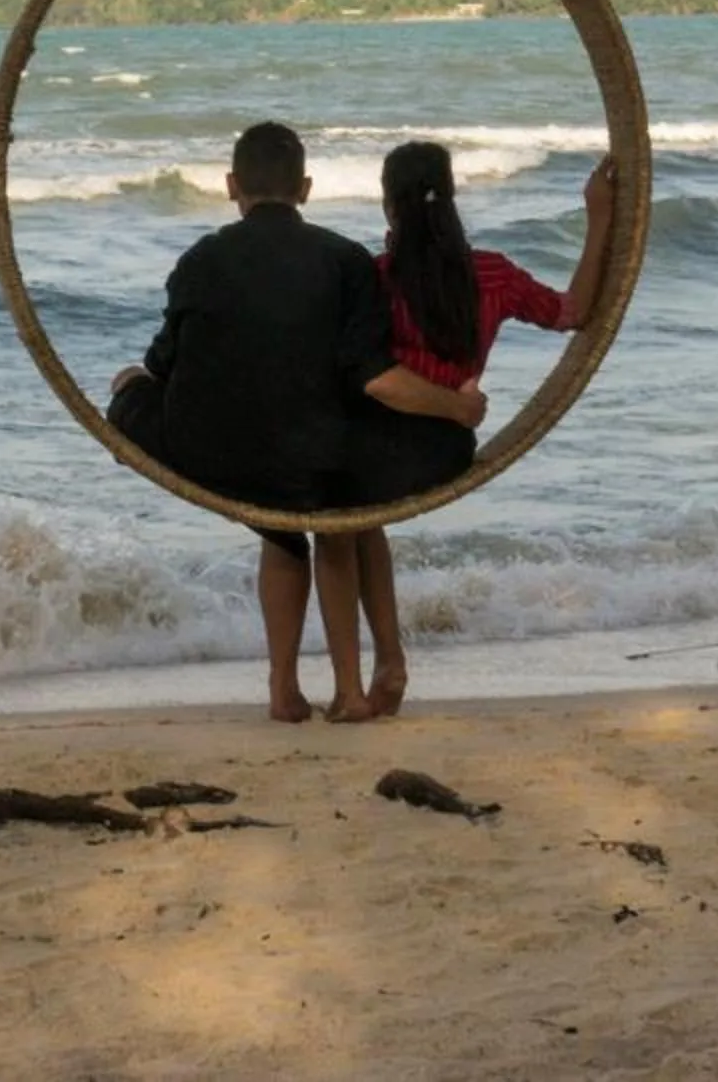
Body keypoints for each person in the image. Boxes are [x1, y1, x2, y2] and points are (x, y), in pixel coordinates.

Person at [107, 121, 485, 723]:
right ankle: (339, 683)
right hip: (317, 462)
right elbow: (373, 375)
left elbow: (163, 363)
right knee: (315, 485)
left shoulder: (199, 258)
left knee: (131, 384)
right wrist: (456, 408)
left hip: (215, 457)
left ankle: (283, 686)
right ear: (305, 188)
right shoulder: (346, 259)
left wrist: (142, 386)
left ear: (231, 185)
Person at [333, 143, 618, 719]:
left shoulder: (375, 277)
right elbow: (572, 312)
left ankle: (368, 675)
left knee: (341, 523)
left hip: (378, 448)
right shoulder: (490, 273)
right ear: (452, 197)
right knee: (367, 525)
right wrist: (601, 218)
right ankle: (389, 663)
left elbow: (362, 375)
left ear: (390, 207)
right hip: (445, 450)